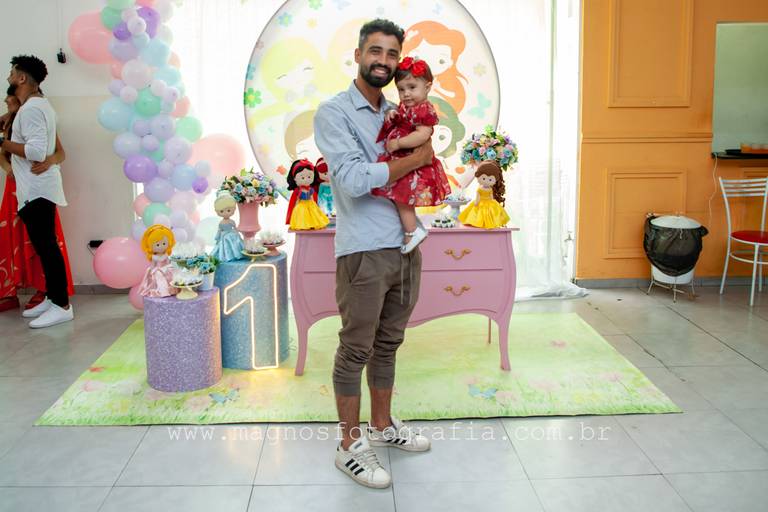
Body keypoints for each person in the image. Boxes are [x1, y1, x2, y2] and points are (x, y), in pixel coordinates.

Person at [314, 19, 434, 489]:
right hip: (363, 251)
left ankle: (382, 426)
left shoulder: (399, 109)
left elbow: (419, 161)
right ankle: (349, 446)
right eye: (375, 51)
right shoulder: (335, 112)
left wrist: (416, 161)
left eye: (391, 54)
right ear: (359, 55)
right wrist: (414, 160)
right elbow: (351, 179)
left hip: (405, 246)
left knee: (389, 343)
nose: (383, 61)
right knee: (355, 349)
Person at [1, 55, 72, 327]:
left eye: (12, 72)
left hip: (37, 188)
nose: (9, 76)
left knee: (47, 248)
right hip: (35, 188)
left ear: (21, 78)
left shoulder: (31, 109)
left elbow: (36, 152)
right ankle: (53, 298)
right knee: (45, 248)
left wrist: (2, 143)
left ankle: (62, 305)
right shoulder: (35, 106)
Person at [372, 57, 451, 252]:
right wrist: (393, 114)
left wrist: (398, 143)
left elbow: (422, 134)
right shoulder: (408, 107)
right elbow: (403, 120)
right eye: (401, 89)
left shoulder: (424, 109)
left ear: (427, 87)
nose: (406, 93)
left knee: (402, 198)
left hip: (413, 164)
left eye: (412, 87)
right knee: (401, 199)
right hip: (406, 162)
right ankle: (412, 228)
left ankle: (412, 231)